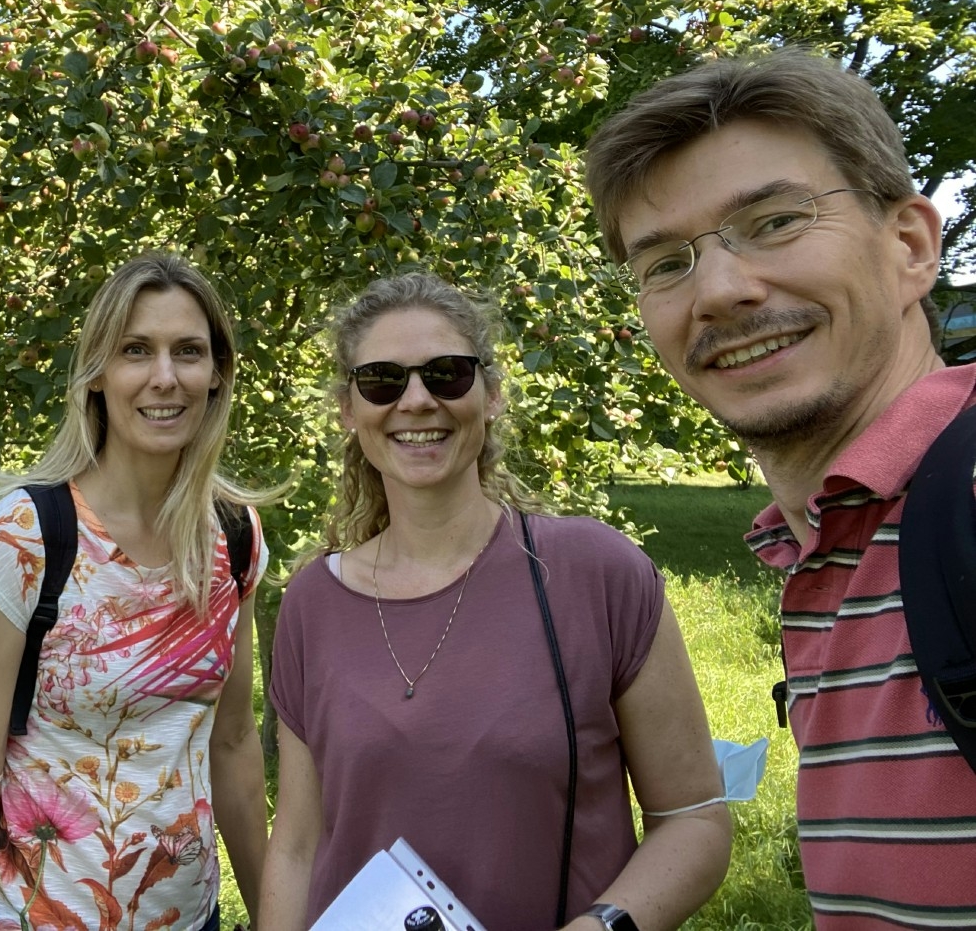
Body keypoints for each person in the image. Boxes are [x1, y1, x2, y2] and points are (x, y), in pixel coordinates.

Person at [584, 47, 976, 927]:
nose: (719, 289)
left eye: (774, 221)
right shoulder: (817, 542)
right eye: (667, 263)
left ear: (910, 244)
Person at [259, 272, 731, 931]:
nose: (416, 399)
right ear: (349, 409)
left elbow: (694, 818)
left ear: (493, 394)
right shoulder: (312, 602)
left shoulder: (597, 574)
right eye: (383, 380)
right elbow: (298, 846)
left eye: (446, 373)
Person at [0, 252, 270, 931]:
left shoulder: (232, 535)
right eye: (135, 350)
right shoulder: (22, 541)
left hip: (189, 917)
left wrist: (275, 914)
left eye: (189, 352)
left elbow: (232, 745)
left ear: (217, 374)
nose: (164, 377)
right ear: (97, 374)